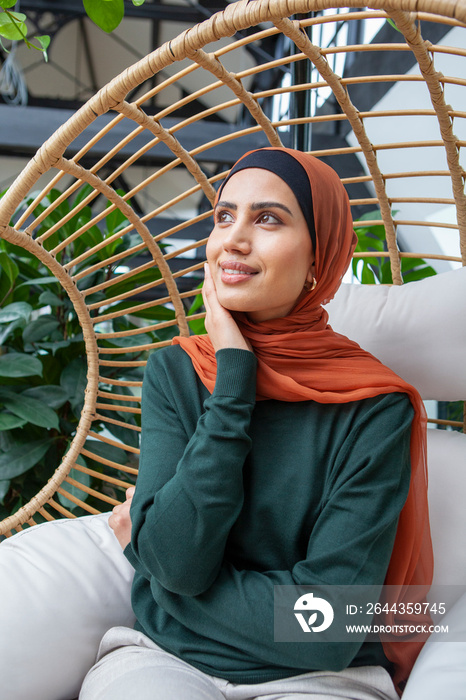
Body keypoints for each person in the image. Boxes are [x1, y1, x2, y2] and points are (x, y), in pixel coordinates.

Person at [79, 148, 433, 700]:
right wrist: (234, 377)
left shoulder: (375, 407)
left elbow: (327, 629)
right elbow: (175, 557)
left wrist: (164, 581)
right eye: (224, 216)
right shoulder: (177, 371)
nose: (234, 240)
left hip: (321, 679)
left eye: (267, 218)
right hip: (168, 660)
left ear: (321, 257)